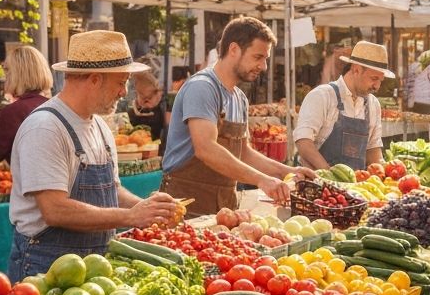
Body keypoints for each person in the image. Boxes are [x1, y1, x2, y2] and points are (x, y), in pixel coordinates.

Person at [8, 31, 179, 280]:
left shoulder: (99, 125)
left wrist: (145, 208)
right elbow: (54, 209)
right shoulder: (45, 127)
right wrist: (131, 216)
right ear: (95, 80)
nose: (124, 92)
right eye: (121, 82)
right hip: (46, 266)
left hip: (94, 265)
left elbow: (112, 190)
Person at [162, 16, 312, 217]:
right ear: (234, 49)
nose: (264, 66)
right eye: (258, 57)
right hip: (185, 204)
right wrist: (261, 179)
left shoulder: (239, 98)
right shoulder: (203, 87)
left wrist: (286, 171)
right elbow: (205, 148)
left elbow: (244, 153)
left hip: (223, 205)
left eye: (265, 59)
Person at [295, 40, 390, 172]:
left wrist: (385, 172)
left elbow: (373, 148)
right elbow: (303, 143)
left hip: (355, 187)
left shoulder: (373, 104)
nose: (377, 86)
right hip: (317, 182)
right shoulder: (322, 96)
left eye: (380, 80)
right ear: (356, 70)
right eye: (374, 79)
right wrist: (331, 175)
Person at [0, 46, 52, 163]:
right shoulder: (54, 105)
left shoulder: (13, 112)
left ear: (14, 75)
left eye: (7, 71)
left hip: (27, 179)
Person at [126, 62, 169, 151]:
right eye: (142, 97)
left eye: (148, 98)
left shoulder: (164, 108)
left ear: (159, 94)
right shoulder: (133, 111)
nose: (146, 103)